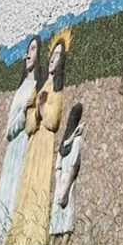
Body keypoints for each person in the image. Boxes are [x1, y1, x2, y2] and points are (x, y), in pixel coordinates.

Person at [6, 28, 70, 245]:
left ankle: (33, 240)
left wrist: (42, 107)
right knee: (26, 189)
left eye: (58, 56)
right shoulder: (40, 88)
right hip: (33, 146)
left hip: (45, 147)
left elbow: (52, 122)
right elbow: (30, 125)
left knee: (39, 189)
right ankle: (17, 242)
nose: (53, 59)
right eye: (52, 55)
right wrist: (35, 111)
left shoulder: (58, 90)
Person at [0, 35, 44, 245]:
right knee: (8, 189)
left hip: (28, 146)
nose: (28, 54)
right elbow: (10, 129)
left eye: (34, 49)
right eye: (28, 49)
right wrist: (22, 109)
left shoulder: (38, 85)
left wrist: (35, 107)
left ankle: (15, 238)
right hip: (15, 148)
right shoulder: (22, 88)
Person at [49, 102, 83, 237]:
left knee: (61, 224)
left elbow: (64, 169)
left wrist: (61, 189)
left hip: (63, 185)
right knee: (62, 225)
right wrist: (63, 191)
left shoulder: (70, 141)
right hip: (65, 186)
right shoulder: (74, 140)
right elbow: (70, 169)